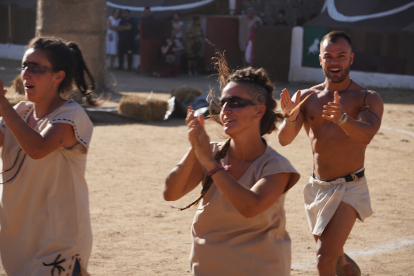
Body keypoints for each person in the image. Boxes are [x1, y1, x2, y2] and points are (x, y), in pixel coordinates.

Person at [164, 56, 300, 275]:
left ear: (259, 111)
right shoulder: (213, 153)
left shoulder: (276, 166)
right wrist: (195, 147)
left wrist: (210, 163)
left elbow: (250, 206)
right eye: (224, 102)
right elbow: (171, 193)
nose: (225, 109)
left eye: (236, 103)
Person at [278, 31, 384, 276]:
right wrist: (291, 118)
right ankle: (347, 268)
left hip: (350, 186)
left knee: (323, 259)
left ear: (351, 59)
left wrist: (343, 119)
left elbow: (366, 135)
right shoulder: (305, 97)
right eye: (329, 56)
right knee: (334, 257)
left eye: (341, 56)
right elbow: (284, 140)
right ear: (320, 60)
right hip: (316, 189)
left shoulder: (367, 98)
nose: (335, 62)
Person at [0, 37, 100, 275]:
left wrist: (2, 105)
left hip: (58, 239)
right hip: (19, 237)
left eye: (36, 68)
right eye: (25, 65)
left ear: (58, 76)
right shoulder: (20, 111)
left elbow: (38, 149)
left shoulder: (71, 115)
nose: (26, 74)